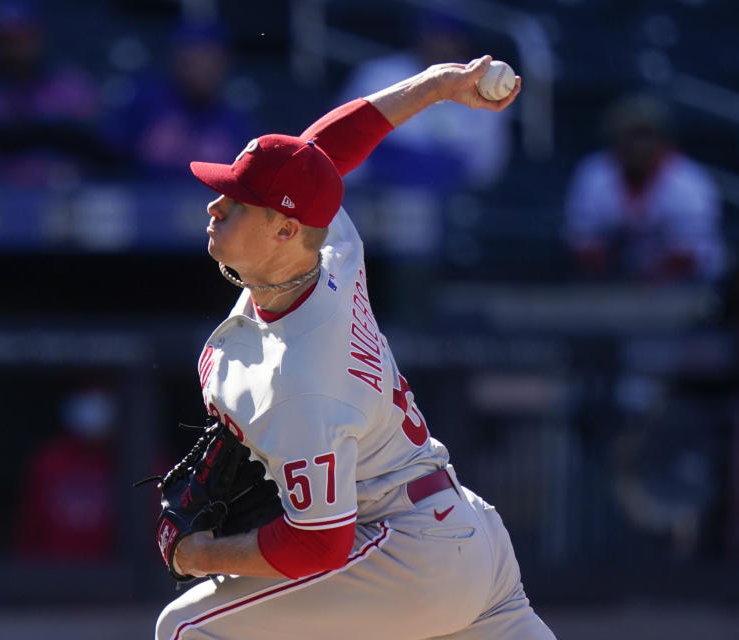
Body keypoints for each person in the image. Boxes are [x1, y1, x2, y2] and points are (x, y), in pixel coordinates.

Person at [154, 56, 555, 640]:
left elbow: (318, 544)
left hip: (407, 557)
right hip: (466, 533)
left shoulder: (297, 379)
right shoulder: (328, 249)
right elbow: (317, 156)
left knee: (187, 630)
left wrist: (202, 556)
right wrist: (437, 85)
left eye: (235, 200)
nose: (216, 204)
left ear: (285, 231)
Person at [337, 13, 511, 193]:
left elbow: (486, 167)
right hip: (378, 192)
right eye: (435, 34)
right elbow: (344, 141)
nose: (441, 43)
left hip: (447, 201)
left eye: (450, 36)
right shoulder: (379, 74)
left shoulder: (484, 88)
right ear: (420, 35)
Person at [564, 94, 725, 281]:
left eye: (646, 136)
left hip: (689, 285)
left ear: (663, 140)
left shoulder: (688, 182)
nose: (638, 147)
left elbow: (687, 255)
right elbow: (582, 243)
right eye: (631, 136)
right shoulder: (594, 174)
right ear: (616, 139)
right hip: (611, 285)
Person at [0, 1, 106, 187]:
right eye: (6, 40)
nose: (14, 49)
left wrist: (36, 132)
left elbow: (89, 139)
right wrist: (53, 131)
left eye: (22, 38)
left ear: (39, 36)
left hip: (64, 197)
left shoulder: (70, 84)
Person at [103, 20, 255, 179]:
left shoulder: (236, 121)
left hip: (206, 201)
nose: (200, 68)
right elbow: (108, 160)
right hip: (145, 198)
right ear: (177, 59)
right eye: (192, 59)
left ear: (224, 63)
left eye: (208, 59)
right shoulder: (145, 102)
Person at [15, 387, 117, 561]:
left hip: (118, 580)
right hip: (54, 577)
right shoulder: (48, 463)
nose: (93, 401)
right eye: (87, 386)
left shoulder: (145, 463)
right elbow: (29, 535)